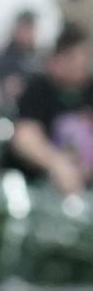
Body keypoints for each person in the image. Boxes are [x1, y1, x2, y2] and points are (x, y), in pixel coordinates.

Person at [11, 23, 93, 194]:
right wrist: (56, 163)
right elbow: (24, 137)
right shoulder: (40, 88)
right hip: (43, 184)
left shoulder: (88, 89)